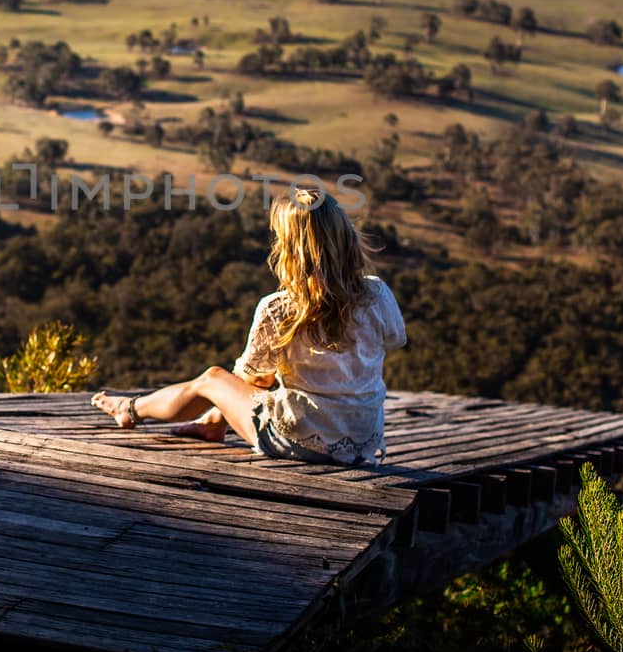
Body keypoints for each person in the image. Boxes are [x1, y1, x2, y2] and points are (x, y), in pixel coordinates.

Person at [91, 186, 405, 464]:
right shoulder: (377, 294)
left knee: (213, 379)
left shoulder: (279, 308)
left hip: (300, 440)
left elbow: (253, 379)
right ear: (345, 237)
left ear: (289, 248)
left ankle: (130, 409)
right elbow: (393, 340)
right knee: (251, 387)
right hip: (363, 440)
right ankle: (213, 423)